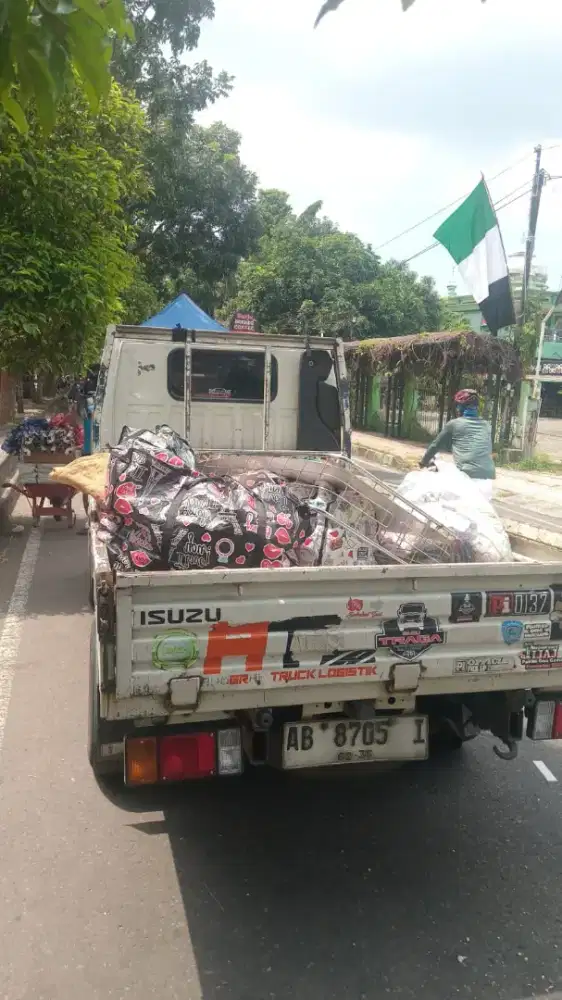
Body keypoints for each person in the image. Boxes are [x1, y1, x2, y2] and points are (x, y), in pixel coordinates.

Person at [419, 388, 495, 499]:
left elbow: (435, 446)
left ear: (460, 407)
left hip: (466, 480)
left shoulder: (453, 424)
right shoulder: (487, 426)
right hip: (487, 485)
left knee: (435, 486)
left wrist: (423, 462)